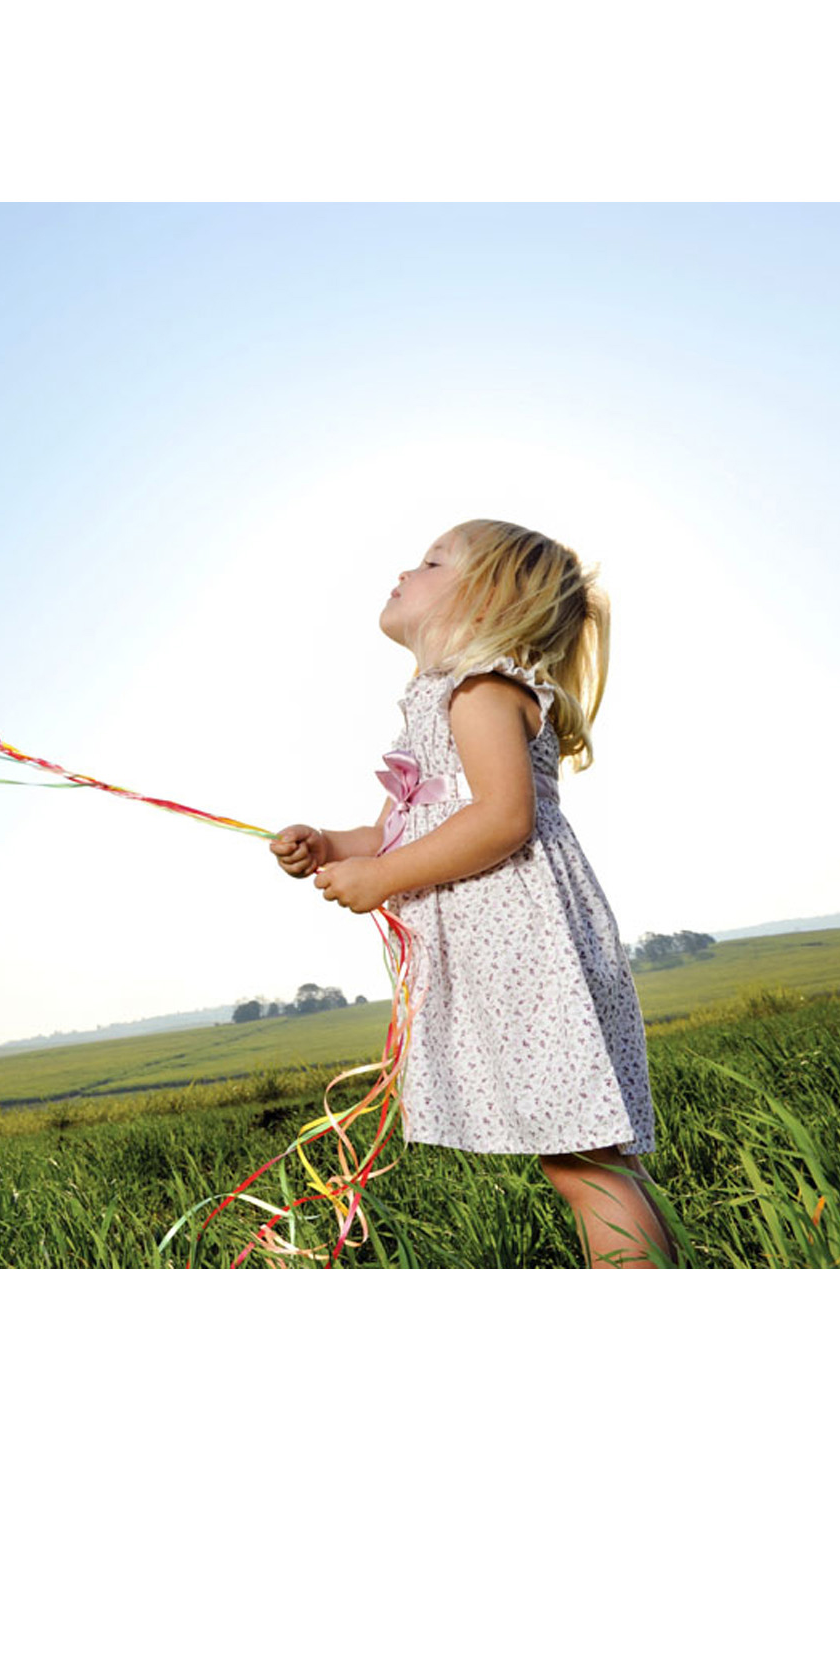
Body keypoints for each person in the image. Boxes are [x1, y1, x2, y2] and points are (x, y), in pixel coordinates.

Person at [269, 519, 675, 1268]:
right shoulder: (437, 703)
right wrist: (328, 845)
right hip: (516, 956)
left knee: (583, 1162)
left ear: (488, 602)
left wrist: (383, 879)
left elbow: (502, 818)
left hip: (531, 956)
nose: (406, 570)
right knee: (591, 1158)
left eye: (431, 561)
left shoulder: (480, 692)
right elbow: (392, 832)